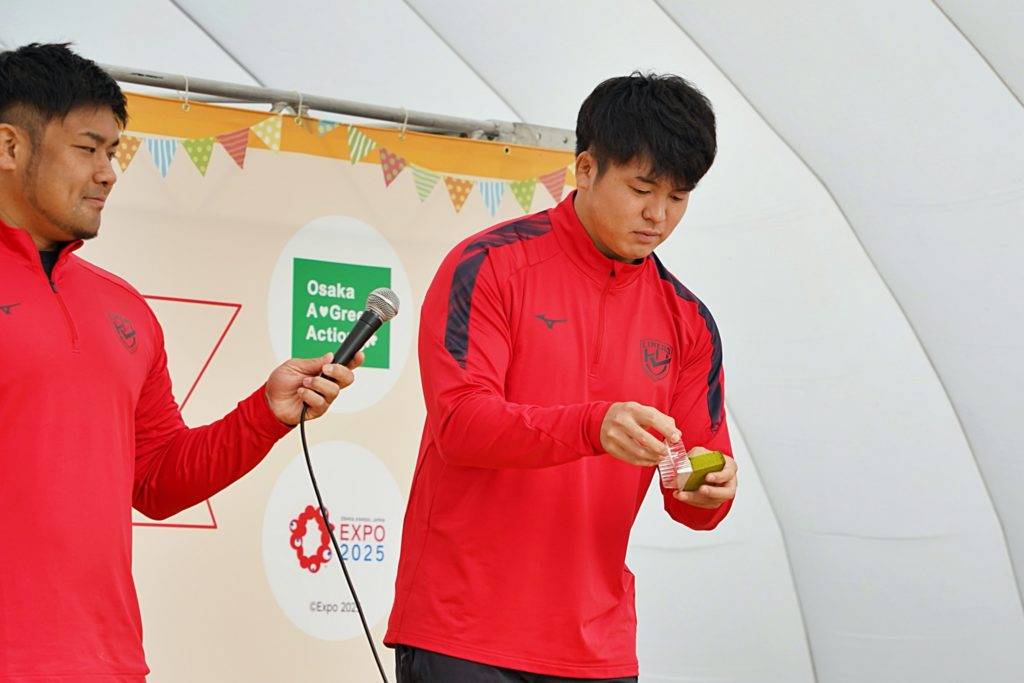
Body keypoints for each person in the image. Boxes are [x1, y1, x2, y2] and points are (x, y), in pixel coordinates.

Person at [0, 43, 362, 681]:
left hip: (106, 661)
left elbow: (160, 482)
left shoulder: (124, 308)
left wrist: (266, 414)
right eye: (87, 149)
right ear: (9, 146)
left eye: (113, 152)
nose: (108, 173)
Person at [385, 72, 739, 682]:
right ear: (585, 169)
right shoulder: (488, 265)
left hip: (597, 649)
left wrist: (709, 489)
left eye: (678, 198)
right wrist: (594, 427)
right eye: (641, 188)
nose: (657, 215)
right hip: (463, 632)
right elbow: (461, 424)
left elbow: (690, 480)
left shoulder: (689, 322)